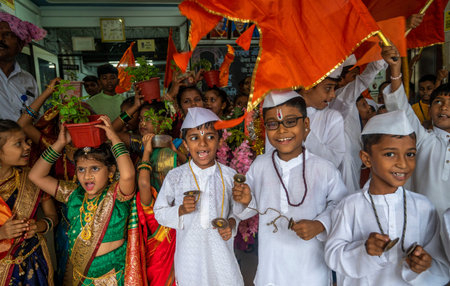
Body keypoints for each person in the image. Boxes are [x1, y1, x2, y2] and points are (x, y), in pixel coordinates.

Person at [232, 91, 347, 285]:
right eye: (273, 124)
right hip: (272, 265)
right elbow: (247, 208)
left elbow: (342, 204)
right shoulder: (260, 165)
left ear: (306, 126)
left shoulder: (323, 168)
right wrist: (245, 200)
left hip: (310, 267)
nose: (282, 131)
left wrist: (320, 225)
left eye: (291, 121)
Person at [325, 110, 450, 285]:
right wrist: (364, 251)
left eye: (410, 154)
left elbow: (441, 266)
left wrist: (424, 265)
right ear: (367, 159)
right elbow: (333, 256)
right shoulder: (349, 206)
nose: (403, 163)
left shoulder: (423, 207)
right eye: (390, 154)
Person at [28, 116, 136, 285]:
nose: (86, 176)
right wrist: (60, 143)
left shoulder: (117, 194)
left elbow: (128, 175)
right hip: (81, 277)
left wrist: (114, 138)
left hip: (112, 276)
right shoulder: (73, 194)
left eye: (94, 168)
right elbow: (35, 176)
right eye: (81, 169)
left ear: (110, 171)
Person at [154, 107, 244, 285]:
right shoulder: (176, 176)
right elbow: (159, 212)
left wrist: (232, 223)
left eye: (210, 137)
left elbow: (239, 211)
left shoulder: (229, 175)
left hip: (221, 256)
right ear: (186, 144)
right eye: (194, 138)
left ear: (219, 141)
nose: (202, 144)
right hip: (189, 258)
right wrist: (180, 210)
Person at [381, 47, 450, 217]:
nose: (444, 107)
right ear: (429, 110)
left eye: (449, 102)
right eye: (438, 101)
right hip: (423, 224)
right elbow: (401, 109)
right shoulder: (423, 139)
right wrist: (395, 71)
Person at [0, 119, 57, 285]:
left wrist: (40, 226)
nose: (27, 146)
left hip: (33, 264)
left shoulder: (32, 178)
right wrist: (2, 234)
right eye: (18, 143)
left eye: (26, 140)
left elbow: (52, 215)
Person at [330, 47, 392, 192]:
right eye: (353, 77)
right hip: (345, 162)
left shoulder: (357, 102)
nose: (356, 82)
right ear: (340, 79)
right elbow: (362, 82)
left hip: (355, 159)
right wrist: (378, 62)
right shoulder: (340, 98)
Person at [0, 12, 46, 121]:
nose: (0, 39)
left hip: (24, 138)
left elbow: (33, 117)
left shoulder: (28, 79)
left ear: (20, 45)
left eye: (7, 34)